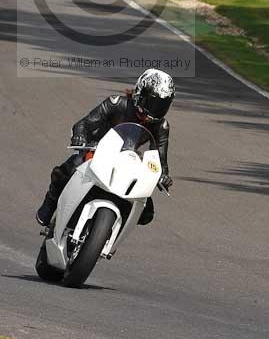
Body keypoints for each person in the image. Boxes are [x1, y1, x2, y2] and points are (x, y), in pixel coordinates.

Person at [35, 69, 174, 227]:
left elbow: (161, 159)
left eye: (162, 105)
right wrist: (80, 136)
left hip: (127, 162)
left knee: (146, 210)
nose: (156, 110)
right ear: (140, 93)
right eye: (153, 103)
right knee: (70, 167)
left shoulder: (161, 126)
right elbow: (83, 124)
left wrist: (163, 176)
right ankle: (50, 203)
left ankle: (112, 234)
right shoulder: (116, 103)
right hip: (98, 151)